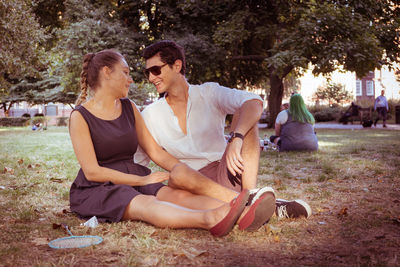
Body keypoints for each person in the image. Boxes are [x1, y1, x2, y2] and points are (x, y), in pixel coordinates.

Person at [68, 49, 258, 237]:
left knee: (177, 196)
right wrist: (141, 180)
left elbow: (154, 151)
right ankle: (210, 219)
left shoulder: (129, 107)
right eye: (125, 72)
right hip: (99, 186)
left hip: (132, 175)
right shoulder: (79, 116)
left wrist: (180, 173)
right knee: (145, 204)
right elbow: (92, 171)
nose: (131, 79)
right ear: (106, 72)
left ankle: (242, 213)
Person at [134, 40, 311, 222]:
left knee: (247, 117)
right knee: (178, 174)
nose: (150, 78)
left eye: (155, 70)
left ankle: (249, 195)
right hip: (190, 184)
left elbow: (253, 101)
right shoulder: (150, 114)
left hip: (227, 170)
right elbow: (138, 162)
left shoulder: (209, 92)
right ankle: (253, 203)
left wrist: (237, 138)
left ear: (176, 66)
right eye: (147, 72)